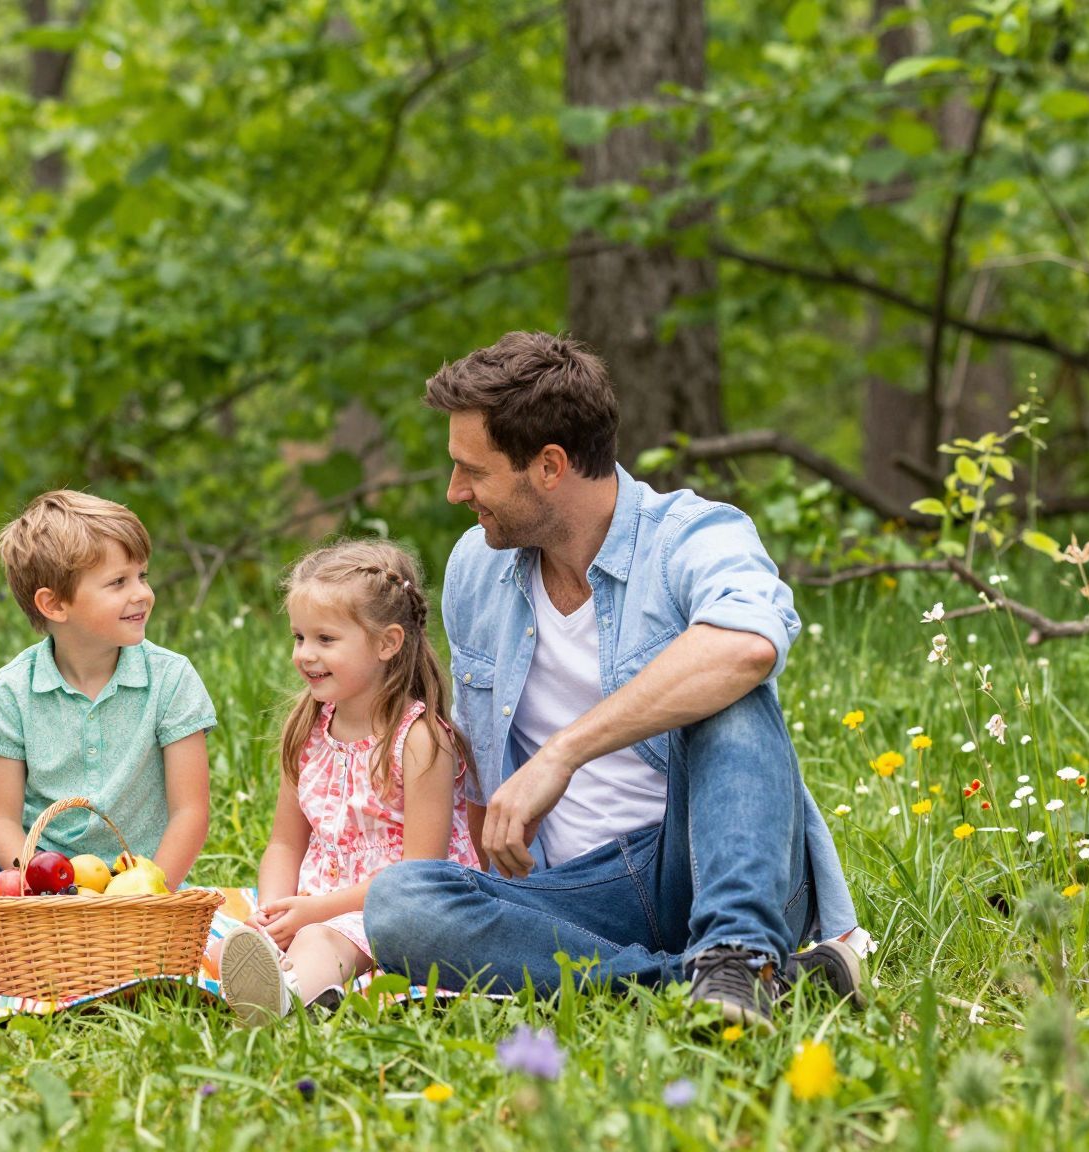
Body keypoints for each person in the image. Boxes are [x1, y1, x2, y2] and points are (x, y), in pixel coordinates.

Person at [364, 332, 868, 1028]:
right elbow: (484, 778)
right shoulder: (476, 569)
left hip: (711, 864)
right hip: (578, 894)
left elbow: (750, 646)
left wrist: (563, 753)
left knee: (730, 683)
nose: (456, 492)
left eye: (471, 471)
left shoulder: (695, 536)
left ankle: (739, 953)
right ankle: (706, 983)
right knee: (399, 904)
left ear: (548, 466)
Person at [0, 490, 215, 950]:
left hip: (129, 880)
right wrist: (40, 896)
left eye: (142, 576)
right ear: (55, 605)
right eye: (118, 582)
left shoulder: (171, 679)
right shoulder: (11, 689)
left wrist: (151, 896)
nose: (142, 594)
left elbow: (190, 813)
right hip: (24, 866)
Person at [218, 540, 480, 1024]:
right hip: (316, 902)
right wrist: (275, 911)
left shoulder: (419, 741)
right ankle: (280, 975)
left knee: (319, 941)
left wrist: (315, 914)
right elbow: (283, 844)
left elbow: (417, 876)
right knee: (249, 936)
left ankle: (281, 1003)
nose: (305, 655)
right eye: (299, 637)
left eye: (325, 639)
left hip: (399, 910)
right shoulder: (309, 728)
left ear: (388, 643)